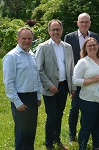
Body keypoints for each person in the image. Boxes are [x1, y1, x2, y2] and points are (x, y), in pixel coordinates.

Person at [35, 19, 75, 150]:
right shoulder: (43, 47)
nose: (56, 32)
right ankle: (49, 144)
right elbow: (38, 69)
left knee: (59, 115)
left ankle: (57, 139)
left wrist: (72, 88)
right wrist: (48, 85)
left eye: (58, 29)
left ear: (62, 30)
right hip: (50, 88)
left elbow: (71, 69)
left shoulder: (68, 47)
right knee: (51, 116)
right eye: (53, 30)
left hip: (63, 86)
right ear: (49, 31)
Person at [64, 12, 99, 144]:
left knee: (88, 108)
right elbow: (67, 60)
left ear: (89, 23)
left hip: (92, 79)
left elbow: (98, 56)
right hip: (76, 79)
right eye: (82, 22)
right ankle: (72, 134)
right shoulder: (69, 37)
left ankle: (86, 133)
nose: (84, 24)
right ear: (77, 23)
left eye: (86, 22)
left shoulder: (95, 36)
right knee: (75, 108)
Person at [3, 27, 41, 150]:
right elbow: (8, 82)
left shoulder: (31, 55)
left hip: (32, 98)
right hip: (20, 98)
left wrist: (38, 96)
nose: (27, 41)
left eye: (30, 38)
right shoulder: (11, 57)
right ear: (18, 39)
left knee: (30, 131)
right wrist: (17, 101)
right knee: (21, 133)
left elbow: (36, 77)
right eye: (24, 38)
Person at [73, 37, 99, 150]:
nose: (92, 47)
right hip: (88, 100)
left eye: (94, 45)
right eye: (90, 46)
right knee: (87, 126)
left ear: (98, 46)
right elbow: (75, 81)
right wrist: (92, 80)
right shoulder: (82, 62)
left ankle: (96, 146)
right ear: (85, 48)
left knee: (98, 124)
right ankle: (82, 147)